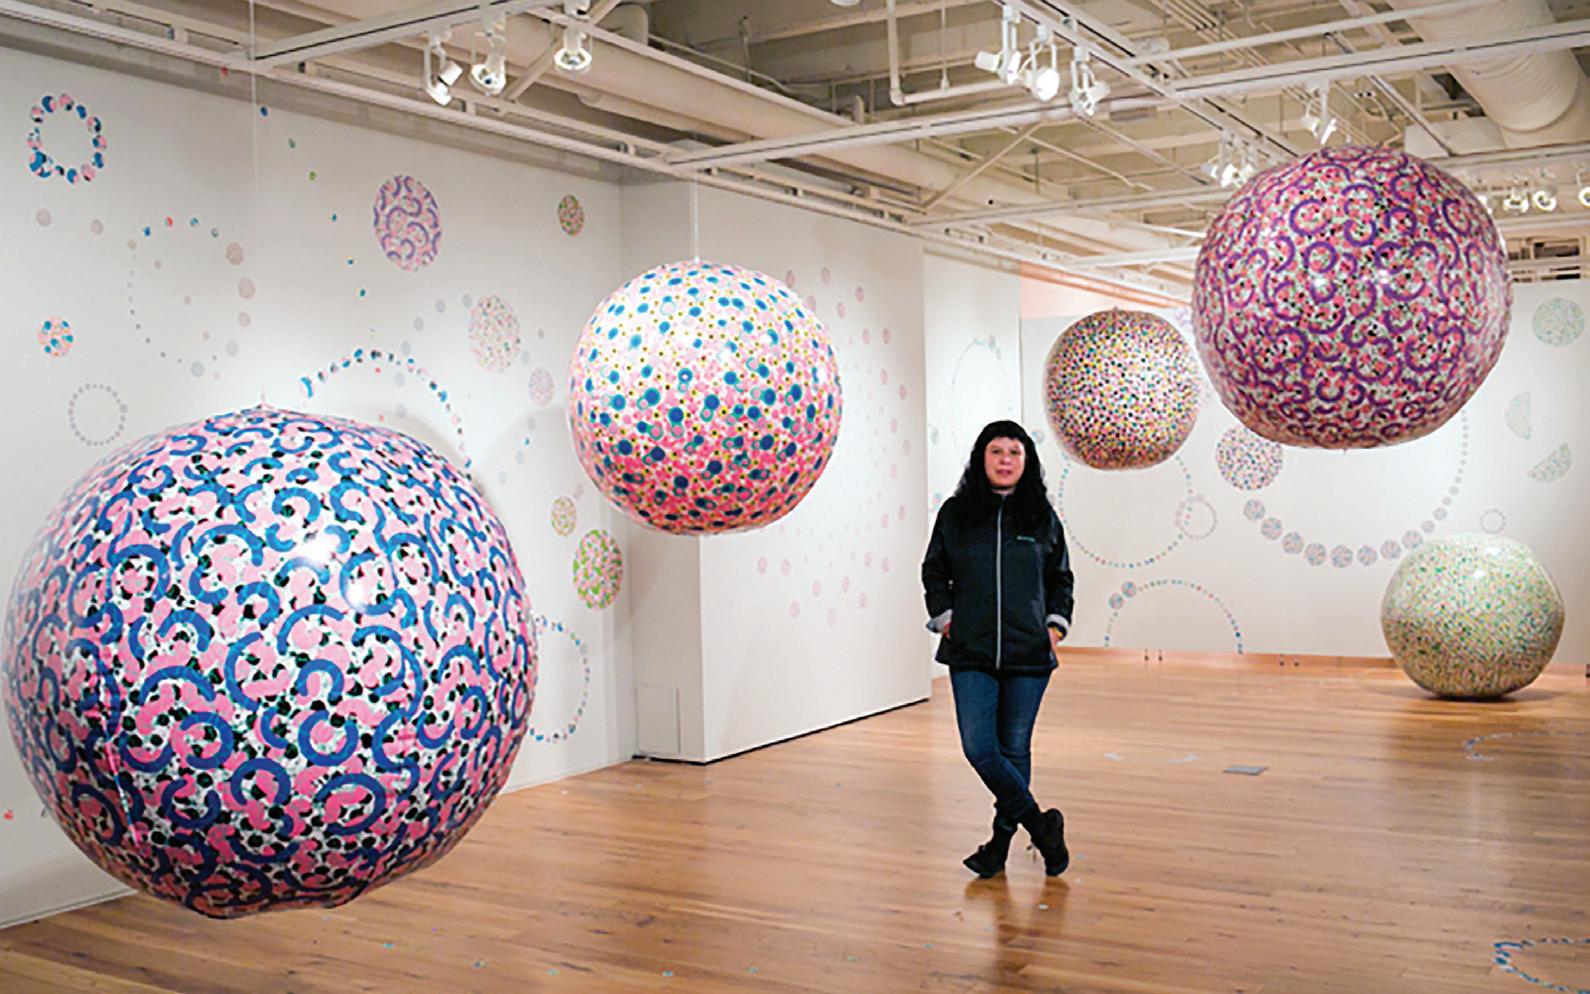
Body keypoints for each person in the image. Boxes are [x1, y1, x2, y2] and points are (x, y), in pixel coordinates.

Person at [921, 419, 1075, 878]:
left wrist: (1054, 627)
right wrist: (946, 617)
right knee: (980, 748)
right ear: (981, 458)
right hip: (970, 650)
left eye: (1014, 453)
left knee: (1014, 748)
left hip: (1030, 653)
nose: (1005, 460)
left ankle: (999, 847)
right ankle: (1041, 826)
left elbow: (1061, 578)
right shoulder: (956, 513)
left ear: (1026, 461)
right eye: (996, 452)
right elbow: (934, 570)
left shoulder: (1041, 516)